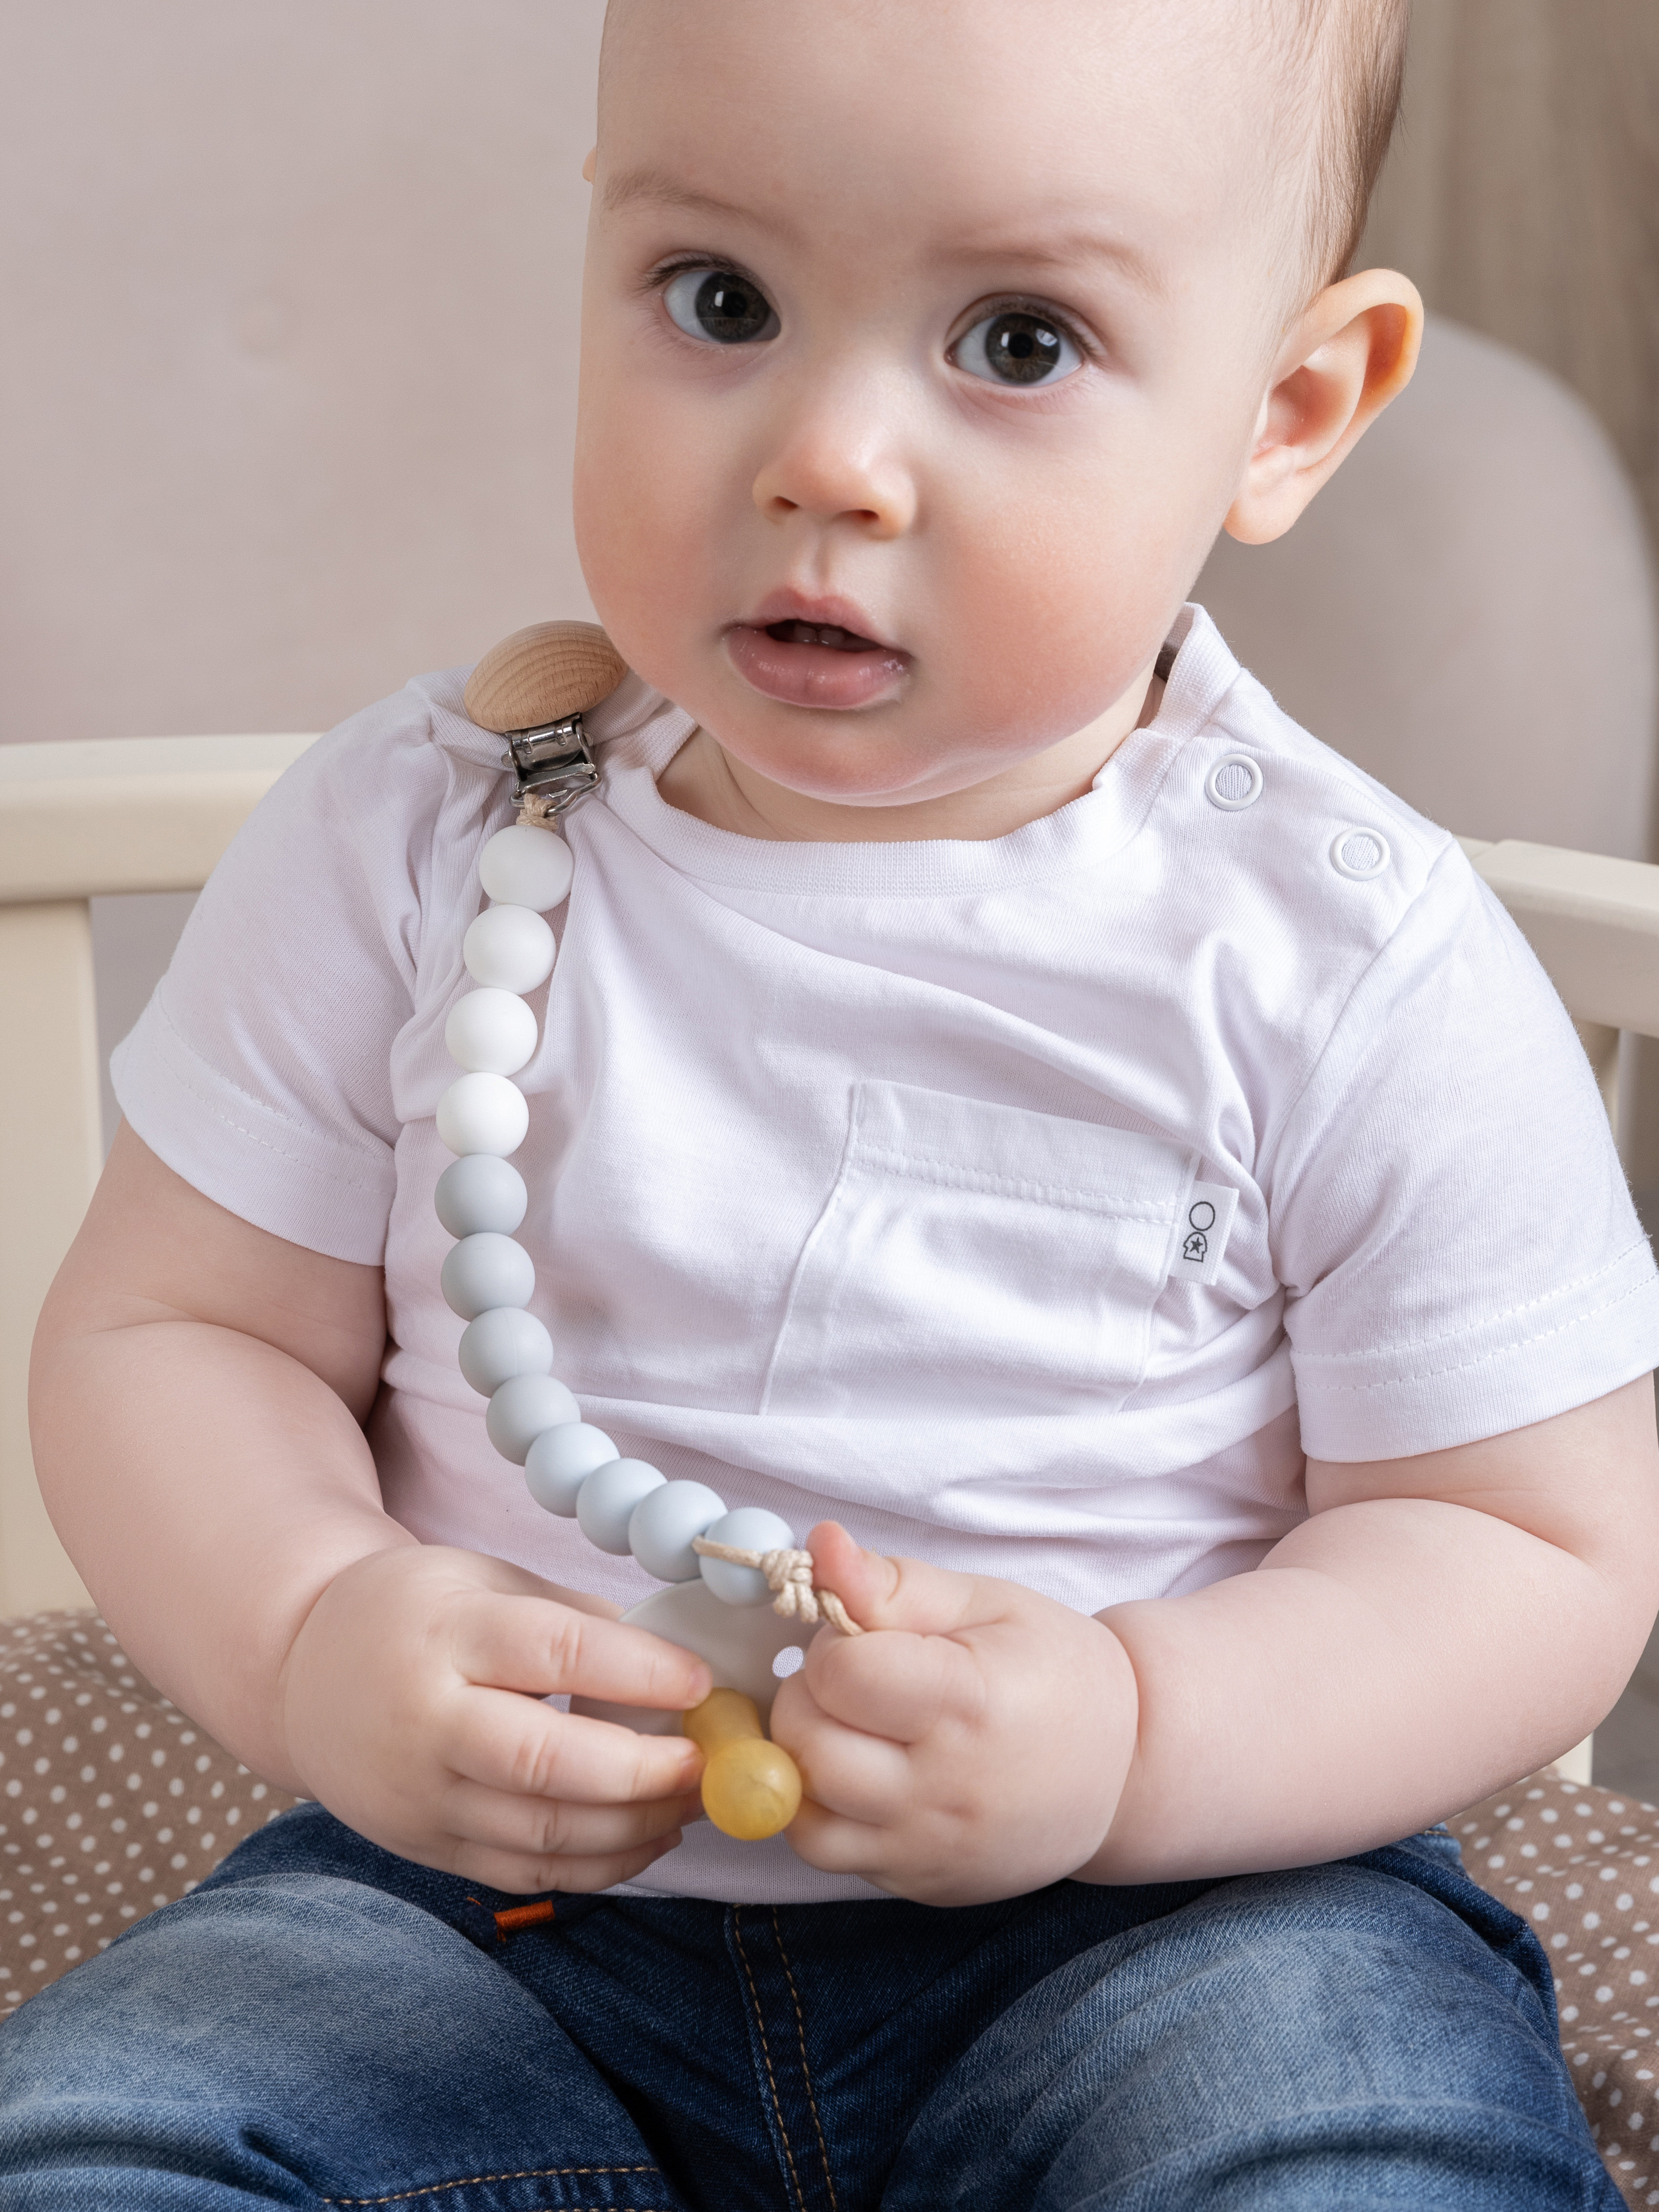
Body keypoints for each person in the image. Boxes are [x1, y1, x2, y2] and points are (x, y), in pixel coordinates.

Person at [6, 0, 1656, 2203]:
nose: (831, 458)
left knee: (1347, 2147)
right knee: (125, 2130)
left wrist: (1140, 1740)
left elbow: (1530, 1539)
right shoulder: (429, 840)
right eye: (723, 301)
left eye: (1019, 340)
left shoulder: (1342, 953)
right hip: (482, 1925)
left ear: (1285, 412)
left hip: (1189, 1920)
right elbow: (175, 1332)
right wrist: (315, 1634)